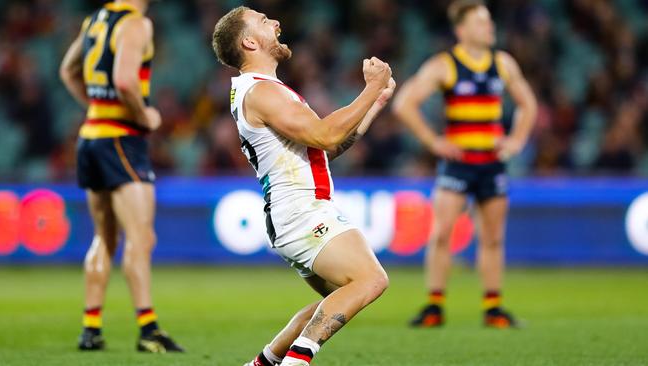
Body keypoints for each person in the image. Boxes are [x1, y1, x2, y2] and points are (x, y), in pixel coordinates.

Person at [212, 6, 396, 366]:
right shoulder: (263, 93)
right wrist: (370, 86)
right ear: (249, 41)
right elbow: (326, 136)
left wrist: (373, 103)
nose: (277, 22)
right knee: (370, 280)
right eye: (264, 21)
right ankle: (297, 362)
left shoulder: (263, 92)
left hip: (291, 213)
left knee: (339, 297)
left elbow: (330, 147)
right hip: (300, 211)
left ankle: (261, 364)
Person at [393, 0, 537, 328]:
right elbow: (404, 104)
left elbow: (529, 105)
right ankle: (434, 306)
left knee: (493, 238)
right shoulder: (444, 65)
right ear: (462, 30)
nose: (490, 27)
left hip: (491, 162)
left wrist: (515, 141)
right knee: (442, 233)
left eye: (489, 21)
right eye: (482, 22)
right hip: (458, 163)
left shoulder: (503, 63)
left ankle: (493, 308)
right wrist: (434, 142)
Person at [60, 0, 183, 352]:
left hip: (91, 136)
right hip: (122, 140)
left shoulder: (95, 20)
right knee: (140, 238)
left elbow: (68, 71)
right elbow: (126, 80)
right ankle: (148, 330)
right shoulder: (136, 24)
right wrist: (144, 116)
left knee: (104, 237)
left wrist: (95, 109)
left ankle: (91, 328)